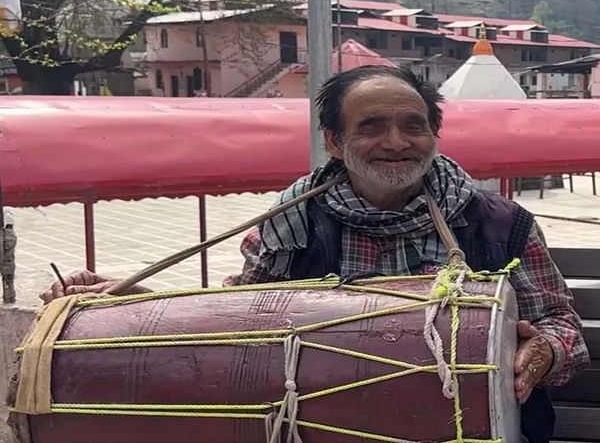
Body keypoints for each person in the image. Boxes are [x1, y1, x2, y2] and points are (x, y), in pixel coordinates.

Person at [41, 66, 588, 443]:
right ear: (333, 140)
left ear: (435, 135)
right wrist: (128, 302)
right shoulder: (290, 225)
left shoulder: (499, 223)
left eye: (413, 126)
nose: (396, 142)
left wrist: (543, 350)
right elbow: (234, 326)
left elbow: (563, 326)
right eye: (371, 127)